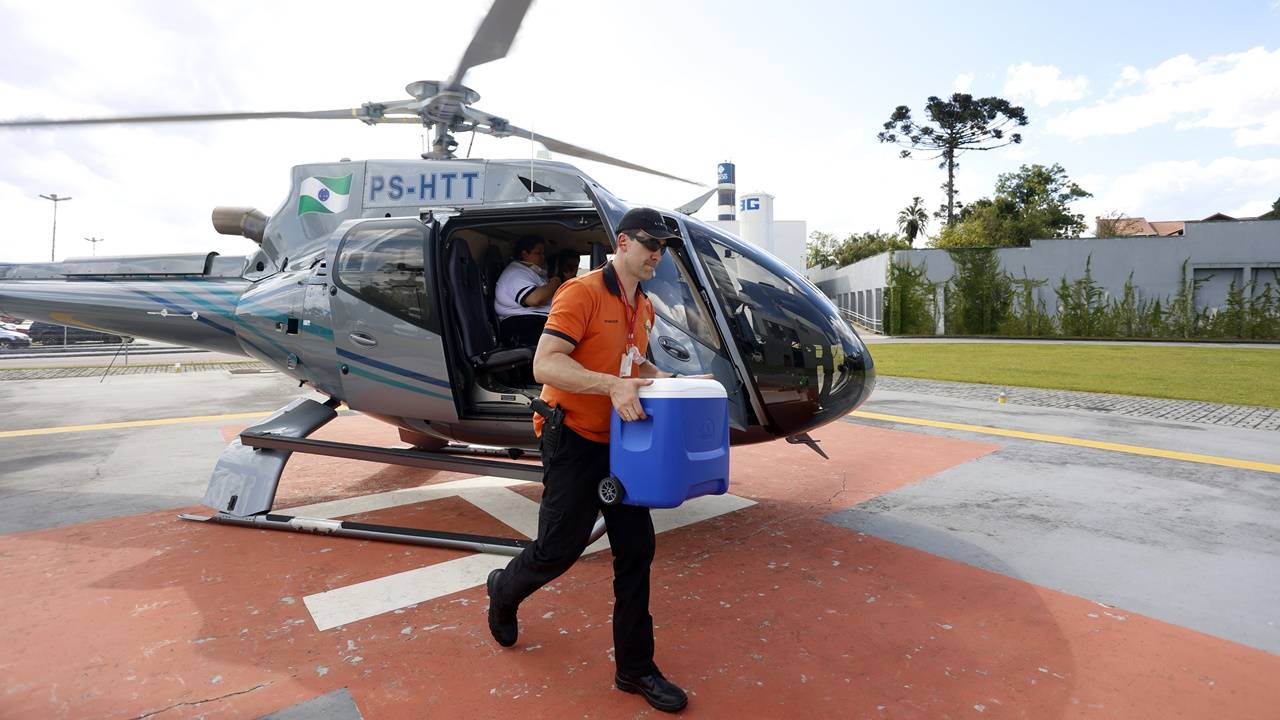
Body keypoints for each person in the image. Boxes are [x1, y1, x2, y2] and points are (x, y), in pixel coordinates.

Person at [485, 208, 690, 713]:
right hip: (573, 437)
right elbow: (546, 363)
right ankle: (504, 590)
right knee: (558, 549)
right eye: (649, 244)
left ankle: (635, 669)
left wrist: (664, 380)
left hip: (623, 442)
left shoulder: (643, 305)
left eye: (663, 249)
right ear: (622, 242)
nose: (656, 255)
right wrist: (610, 385)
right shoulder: (580, 293)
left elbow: (629, 360)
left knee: (636, 549)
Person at [494, 235, 562, 345]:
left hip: (535, 322)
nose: (543, 257)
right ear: (524, 254)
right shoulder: (516, 273)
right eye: (538, 253)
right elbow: (535, 299)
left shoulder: (532, 273)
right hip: (524, 327)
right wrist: (555, 282)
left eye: (543, 253)